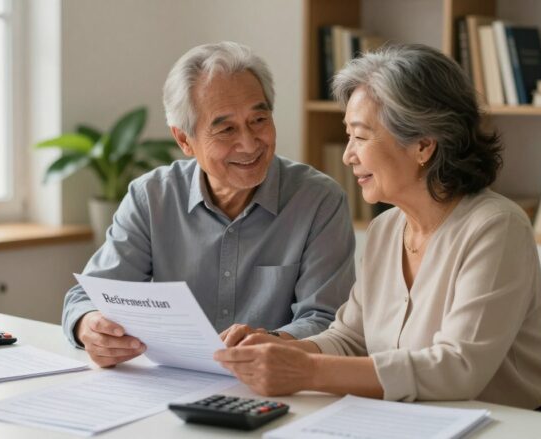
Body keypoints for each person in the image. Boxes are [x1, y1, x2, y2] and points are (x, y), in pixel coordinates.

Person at [214, 44, 541, 411]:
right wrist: (278, 348)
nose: (349, 155)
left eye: (360, 136)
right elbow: (350, 338)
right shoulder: (386, 229)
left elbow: (459, 368)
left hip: (510, 427)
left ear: (423, 145)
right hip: (412, 421)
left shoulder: (496, 227)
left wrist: (307, 370)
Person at [62, 41, 356, 368]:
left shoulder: (319, 201)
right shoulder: (152, 198)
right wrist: (89, 325)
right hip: (170, 386)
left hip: (273, 388)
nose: (248, 143)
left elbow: (329, 321)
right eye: (226, 129)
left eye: (259, 120)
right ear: (184, 140)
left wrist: (272, 342)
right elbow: (86, 296)